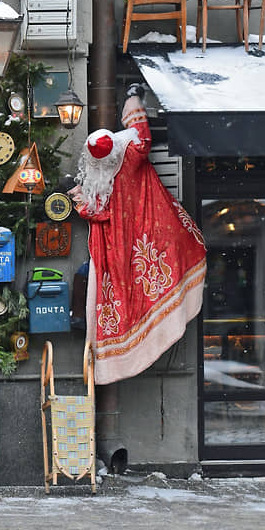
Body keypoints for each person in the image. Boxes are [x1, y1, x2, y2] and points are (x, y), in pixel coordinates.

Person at [68, 84, 207, 385]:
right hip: (151, 230)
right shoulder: (131, 152)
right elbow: (142, 132)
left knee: (117, 289)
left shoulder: (101, 179)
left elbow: (96, 211)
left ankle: (109, 342)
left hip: (125, 242)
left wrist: (78, 199)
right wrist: (132, 98)